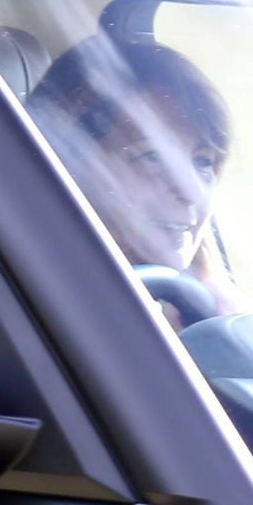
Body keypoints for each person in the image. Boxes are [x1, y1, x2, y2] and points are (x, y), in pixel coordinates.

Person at [25, 36, 237, 322]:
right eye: (152, 157)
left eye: (203, 161)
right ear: (68, 165)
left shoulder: (221, 321)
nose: (192, 193)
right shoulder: (31, 316)